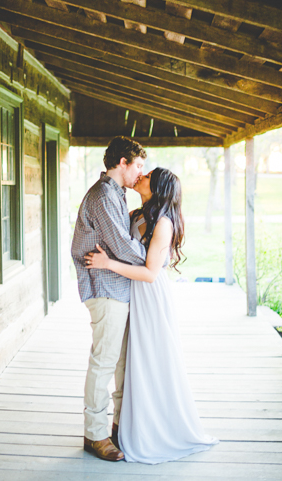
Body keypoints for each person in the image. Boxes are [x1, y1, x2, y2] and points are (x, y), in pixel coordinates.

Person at [85, 168, 218, 464]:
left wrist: (106, 264)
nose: (140, 176)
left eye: (147, 176)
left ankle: (155, 428)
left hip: (150, 297)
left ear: (156, 188)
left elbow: (149, 273)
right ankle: (128, 423)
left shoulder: (164, 224)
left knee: (153, 361)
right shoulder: (136, 215)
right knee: (129, 362)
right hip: (128, 293)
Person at [69, 135, 147, 462]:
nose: (141, 173)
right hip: (105, 288)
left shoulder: (116, 194)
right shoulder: (102, 195)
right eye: (138, 165)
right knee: (103, 361)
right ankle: (95, 434)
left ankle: (116, 425)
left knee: (119, 361)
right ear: (122, 163)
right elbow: (122, 243)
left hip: (118, 287)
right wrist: (151, 259)